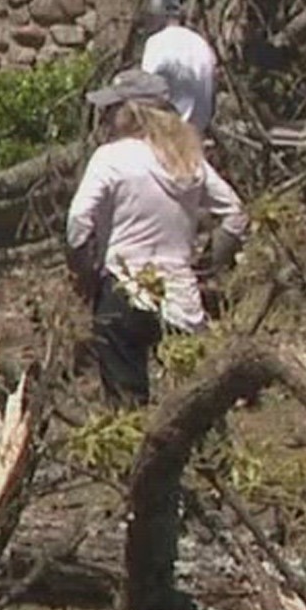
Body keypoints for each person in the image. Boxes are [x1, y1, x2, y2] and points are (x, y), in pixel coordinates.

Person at [65, 69, 248, 407]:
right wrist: (210, 264)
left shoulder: (111, 158)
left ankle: (132, 458)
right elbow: (235, 213)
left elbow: (78, 220)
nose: (105, 117)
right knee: (193, 404)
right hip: (179, 295)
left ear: (131, 113)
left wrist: (82, 270)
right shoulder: (187, 158)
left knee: (126, 404)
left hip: (123, 288)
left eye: (112, 109)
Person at [139, 0, 218, 136]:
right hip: (197, 133)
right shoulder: (201, 43)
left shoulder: (156, 42)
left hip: (168, 133)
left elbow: (149, 91)